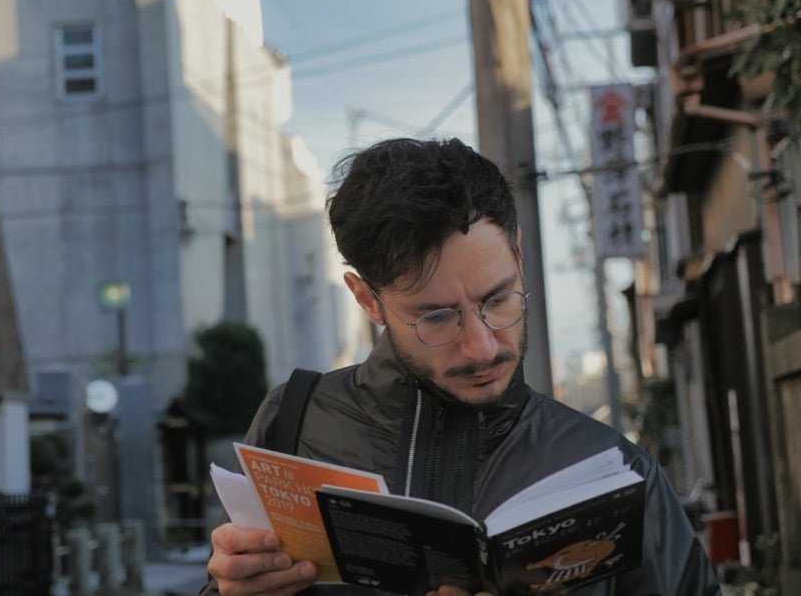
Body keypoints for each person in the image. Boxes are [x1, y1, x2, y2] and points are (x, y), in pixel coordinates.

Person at [203, 137, 720, 596]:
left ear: (517, 255)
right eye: (436, 316)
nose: (480, 348)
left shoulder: (615, 475)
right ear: (367, 300)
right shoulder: (295, 424)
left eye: (497, 300)